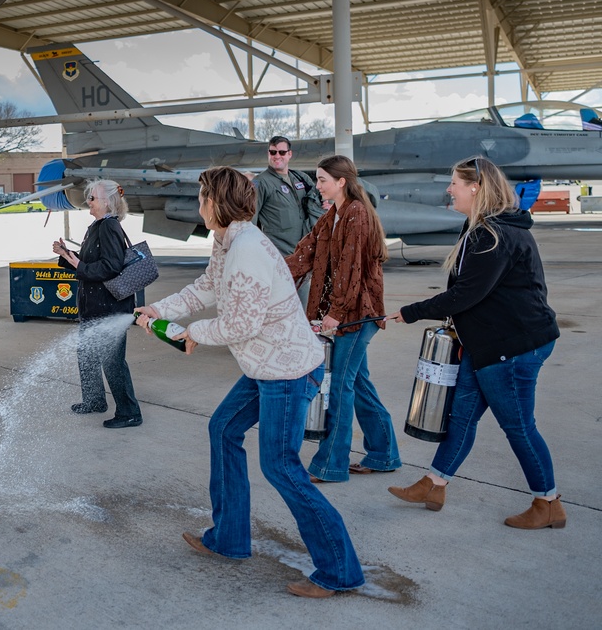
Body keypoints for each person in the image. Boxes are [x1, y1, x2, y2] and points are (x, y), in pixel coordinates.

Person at [135, 166, 363, 598]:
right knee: (223, 429)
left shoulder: (247, 249)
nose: (199, 202)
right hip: (266, 368)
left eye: (203, 195)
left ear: (217, 202)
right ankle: (229, 538)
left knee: (280, 467)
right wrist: (159, 311)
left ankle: (339, 570)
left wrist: (193, 335)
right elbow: (206, 289)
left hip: (288, 371)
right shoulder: (227, 242)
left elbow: (241, 323)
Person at [386, 157, 564, 529]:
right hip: (487, 343)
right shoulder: (481, 228)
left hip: (512, 346)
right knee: (462, 416)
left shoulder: (493, 235)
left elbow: (465, 294)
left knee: (518, 427)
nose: (449, 189)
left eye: (454, 183)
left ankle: (548, 503)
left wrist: (412, 312)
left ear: (475, 188)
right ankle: (434, 484)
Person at [286, 155, 400, 482]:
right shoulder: (332, 215)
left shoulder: (356, 215)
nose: (317, 185)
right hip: (347, 313)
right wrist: (270, 272)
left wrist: (335, 313)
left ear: (341, 182)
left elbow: (351, 270)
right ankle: (384, 454)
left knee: (340, 387)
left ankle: (332, 464)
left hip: (357, 315)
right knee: (358, 383)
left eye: (322, 179)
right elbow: (304, 255)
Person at [52, 179, 142, 429]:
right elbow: (93, 261)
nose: (88, 202)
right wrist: (67, 255)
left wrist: (79, 266)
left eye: (92, 198)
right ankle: (93, 400)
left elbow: (111, 267)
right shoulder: (98, 226)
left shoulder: (108, 227)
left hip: (109, 308)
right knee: (87, 354)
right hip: (96, 306)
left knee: (112, 361)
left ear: (107, 202)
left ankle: (129, 412)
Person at [252, 136, 325, 305]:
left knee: (308, 302)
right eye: (273, 152)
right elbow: (250, 220)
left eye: (282, 152)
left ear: (289, 154)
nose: (277, 156)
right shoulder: (260, 183)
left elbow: (317, 199)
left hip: (304, 250)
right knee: (292, 302)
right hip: (280, 254)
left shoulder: (301, 179)